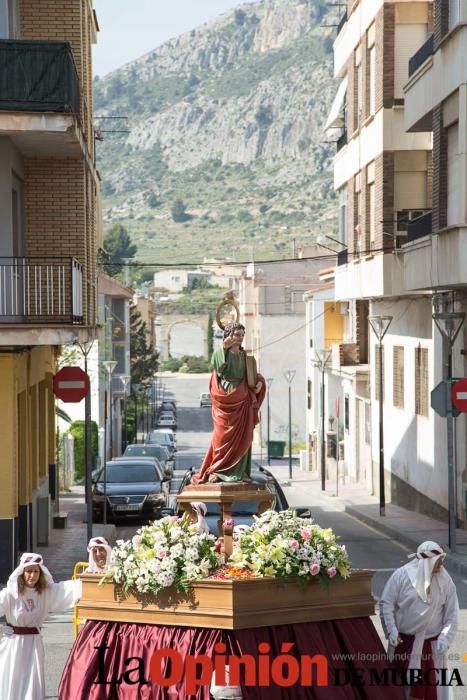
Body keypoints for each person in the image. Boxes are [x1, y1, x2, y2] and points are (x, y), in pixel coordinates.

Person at [379, 541, 459, 700]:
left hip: (432, 647)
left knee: (432, 691)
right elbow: (385, 603)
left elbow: (452, 614)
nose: (441, 565)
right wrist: (391, 630)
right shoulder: (401, 575)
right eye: (437, 561)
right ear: (426, 562)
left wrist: (445, 638)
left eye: (442, 560)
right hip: (404, 644)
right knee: (402, 692)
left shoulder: (445, 580)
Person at [0, 552, 82, 700]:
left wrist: (90, 578)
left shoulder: (45, 593)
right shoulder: (9, 594)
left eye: (36, 571)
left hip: (34, 645)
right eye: (29, 571)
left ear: (41, 573)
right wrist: (1, 628)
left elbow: (68, 589)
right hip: (13, 645)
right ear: (21, 573)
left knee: (32, 682)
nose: (32, 575)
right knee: (14, 680)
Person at [191, 322, 266, 484]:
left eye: (241, 335)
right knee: (221, 437)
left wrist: (259, 382)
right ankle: (217, 469)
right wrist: (223, 349)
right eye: (236, 335)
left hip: (243, 398)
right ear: (228, 336)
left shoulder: (245, 356)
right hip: (225, 398)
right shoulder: (221, 353)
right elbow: (217, 367)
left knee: (244, 435)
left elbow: (254, 374)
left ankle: (240, 472)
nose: (239, 338)